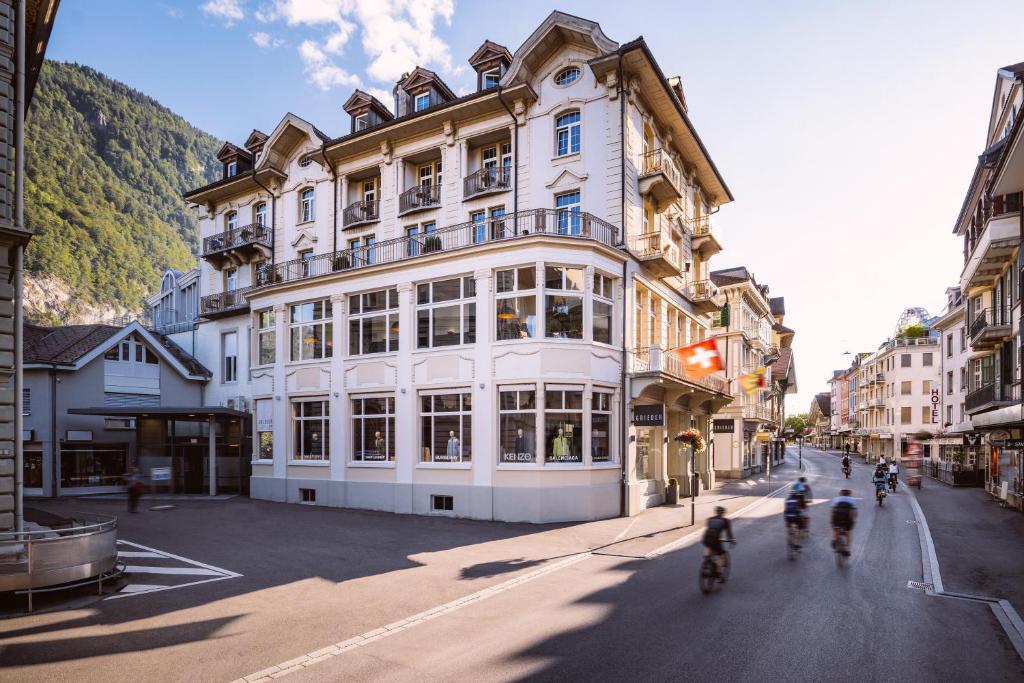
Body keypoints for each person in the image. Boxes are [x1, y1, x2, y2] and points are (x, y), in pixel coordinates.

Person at [702, 506, 735, 577]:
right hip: (715, 539)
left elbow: (709, 528)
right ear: (723, 513)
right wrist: (732, 540)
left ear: (716, 512)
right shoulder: (726, 521)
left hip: (706, 538)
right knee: (721, 555)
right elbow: (729, 533)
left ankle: (707, 561)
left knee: (709, 546)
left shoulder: (710, 519)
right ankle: (718, 573)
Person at [831, 488, 859, 554]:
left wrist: (832, 521)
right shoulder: (852, 500)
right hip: (847, 517)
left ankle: (834, 539)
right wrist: (853, 520)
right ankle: (846, 548)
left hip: (837, 516)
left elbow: (832, 511)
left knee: (835, 528)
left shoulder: (836, 499)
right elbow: (855, 512)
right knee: (848, 532)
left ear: (840, 494)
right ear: (849, 494)